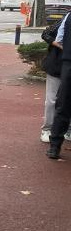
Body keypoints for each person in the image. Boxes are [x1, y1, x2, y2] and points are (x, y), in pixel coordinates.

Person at [48, 11, 71, 159]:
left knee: (63, 104)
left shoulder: (69, 16)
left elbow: (60, 39)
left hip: (69, 64)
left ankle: (55, 146)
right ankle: (55, 145)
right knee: (63, 104)